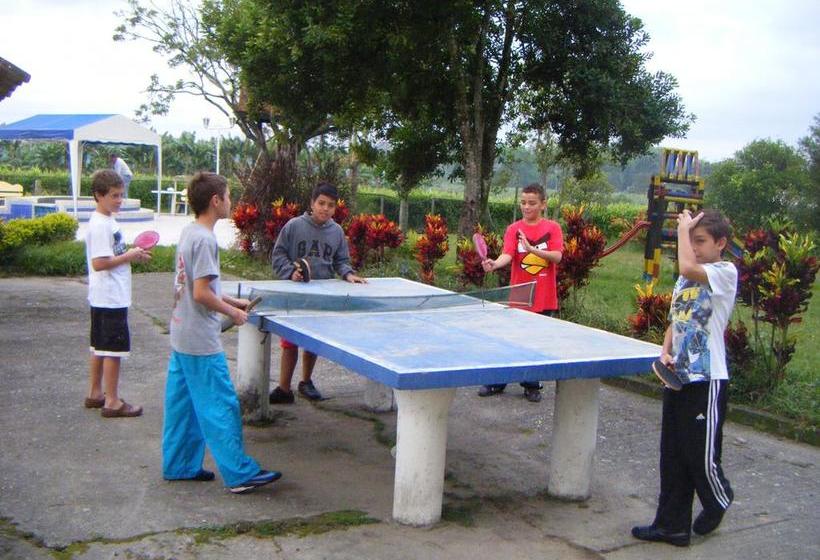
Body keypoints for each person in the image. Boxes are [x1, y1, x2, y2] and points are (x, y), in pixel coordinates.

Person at [162, 172, 281, 494]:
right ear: (215, 201)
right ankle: (240, 474)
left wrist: (231, 299)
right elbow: (201, 293)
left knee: (183, 406)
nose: (232, 202)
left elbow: (197, 287)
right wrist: (234, 313)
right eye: (229, 196)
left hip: (181, 333)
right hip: (200, 340)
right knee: (221, 405)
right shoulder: (205, 240)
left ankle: (179, 465)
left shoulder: (190, 232)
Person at [632, 209, 737, 547]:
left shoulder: (724, 272)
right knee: (673, 455)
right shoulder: (686, 280)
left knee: (700, 455)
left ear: (721, 243)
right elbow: (676, 321)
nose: (694, 246)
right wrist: (665, 351)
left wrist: (681, 228)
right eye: (691, 240)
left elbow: (688, 265)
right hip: (677, 376)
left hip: (706, 380)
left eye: (700, 241)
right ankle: (672, 526)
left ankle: (718, 498)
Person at [269, 182, 366, 404]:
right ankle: (284, 389)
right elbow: (278, 255)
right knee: (289, 343)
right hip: (294, 295)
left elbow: (341, 261)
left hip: (321, 296)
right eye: (321, 203)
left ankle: (306, 381)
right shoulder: (294, 226)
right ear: (312, 203)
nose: (325, 208)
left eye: (330, 205)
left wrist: (348, 275)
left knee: (312, 342)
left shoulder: (337, 232)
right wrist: (289, 272)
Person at [479, 183, 563, 403]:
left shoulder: (553, 228)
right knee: (509, 341)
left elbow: (557, 256)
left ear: (543, 204)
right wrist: (494, 264)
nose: (527, 207)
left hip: (545, 297)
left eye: (532, 203)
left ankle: (531, 385)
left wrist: (532, 248)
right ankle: (499, 380)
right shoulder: (513, 229)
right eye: (523, 202)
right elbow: (507, 254)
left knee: (535, 343)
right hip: (519, 296)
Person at [84, 169, 151, 417]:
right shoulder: (101, 224)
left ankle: (95, 393)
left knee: (99, 346)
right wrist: (129, 256)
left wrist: (133, 255)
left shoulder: (106, 220)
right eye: (114, 195)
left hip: (103, 295)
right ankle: (112, 401)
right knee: (113, 350)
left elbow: (113, 255)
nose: (119, 200)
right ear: (98, 196)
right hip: (111, 297)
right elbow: (99, 263)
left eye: (121, 195)